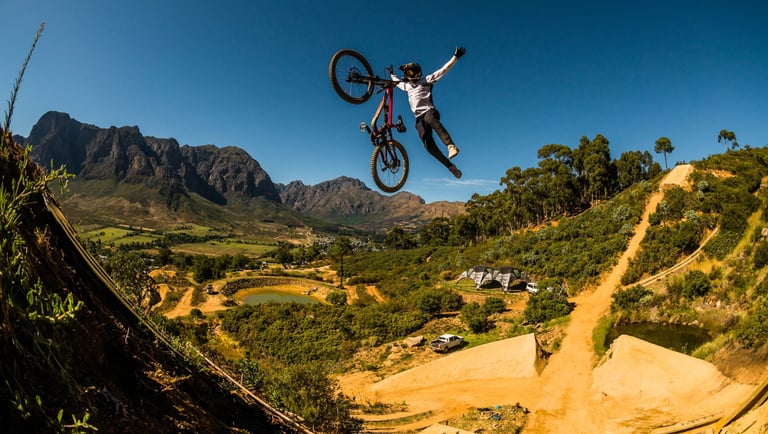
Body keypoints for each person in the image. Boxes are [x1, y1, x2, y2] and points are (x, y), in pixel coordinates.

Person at [389, 46, 466, 178]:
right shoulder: (407, 86)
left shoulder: (426, 81)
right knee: (428, 146)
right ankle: (450, 167)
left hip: (430, 112)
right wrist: (392, 75)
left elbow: (443, 70)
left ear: (417, 72)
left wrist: (455, 57)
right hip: (418, 119)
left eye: (410, 72)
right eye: (407, 73)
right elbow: (397, 82)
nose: (408, 75)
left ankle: (450, 146)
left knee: (429, 119)